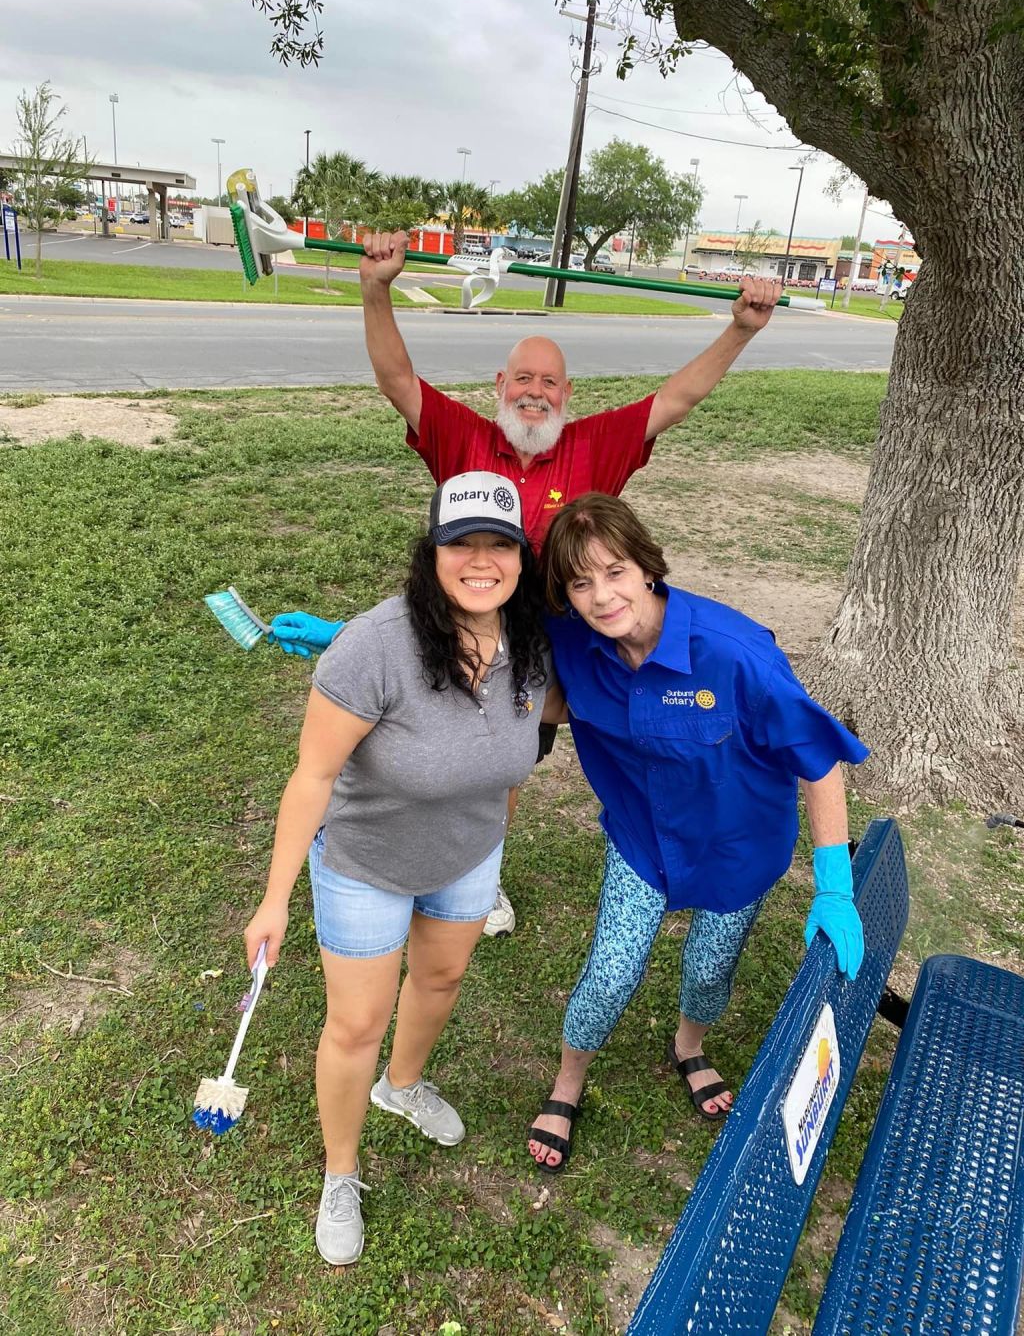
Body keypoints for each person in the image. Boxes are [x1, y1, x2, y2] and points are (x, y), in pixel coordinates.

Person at [269, 230, 785, 936]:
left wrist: (740, 329)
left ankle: (478, 875)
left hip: (545, 660)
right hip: (454, 637)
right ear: (500, 388)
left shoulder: (596, 443)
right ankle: (370, 857)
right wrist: (375, 288)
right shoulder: (462, 435)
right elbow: (396, 380)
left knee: (503, 769)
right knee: (411, 751)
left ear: (567, 395)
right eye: (523, 379)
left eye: (548, 382)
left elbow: (677, 399)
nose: (534, 391)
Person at [243, 472, 555, 1265]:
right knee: (354, 1024)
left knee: (441, 981)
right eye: (463, 543)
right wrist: (275, 897)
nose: (481, 560)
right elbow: (312, 776)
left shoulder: (535, 642)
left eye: (500, 544)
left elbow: (522, 752)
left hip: (469, 853)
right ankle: (341, 1172)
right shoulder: (375, 646)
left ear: (522, 556)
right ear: (433, 551)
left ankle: (402, 1084)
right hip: (366, 861)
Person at [526, 493, 868, 1173]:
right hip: (644, 843)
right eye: (580, 582)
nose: (602, 596)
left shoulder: (735, 654)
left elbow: (820, 758)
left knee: (711, 969)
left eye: (614, 570)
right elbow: (471, 632)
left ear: (646, 565)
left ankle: (689, 1045)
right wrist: (348, 638)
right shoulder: (569, 640)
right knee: (610, 974)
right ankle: (568, 1081)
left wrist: (834, 885)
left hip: (735, 849)